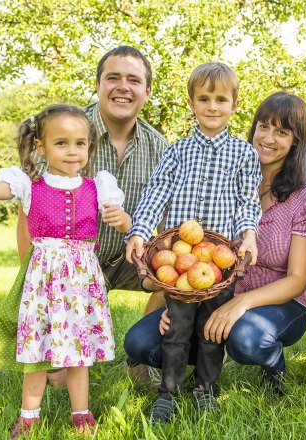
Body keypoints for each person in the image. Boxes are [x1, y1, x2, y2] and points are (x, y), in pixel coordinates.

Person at [0, 104, 129, 437]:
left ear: (89, 146)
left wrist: (123, 221)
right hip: (44, 283)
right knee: (38, 350)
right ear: (40, 146)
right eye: (61, 143)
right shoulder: (30, 185)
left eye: (80, 143)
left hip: (80, 285)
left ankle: (82, 413)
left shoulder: (99, 186)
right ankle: (29, 415)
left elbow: (124, 223)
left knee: (80, 355)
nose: (72, 151)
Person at [123, 91, 306, 397]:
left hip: (278, 303)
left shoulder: (301, 197)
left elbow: (297, 280)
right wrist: (180, 299)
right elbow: (194, 253)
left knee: (246, 337)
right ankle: (200, 367)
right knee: (141, 343)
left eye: (282, 131)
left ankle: (273, 363)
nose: (268, 138)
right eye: (263, 126)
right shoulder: (221, 183)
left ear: (295, 141)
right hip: (215, 295)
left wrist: (241, 303)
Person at [17, 46, 170, 388]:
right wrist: (29, 273)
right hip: (70, 260)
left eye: (134, 79)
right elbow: (30, 205)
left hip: (130, 257)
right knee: (57, 382)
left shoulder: (158, 146)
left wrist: (161, 256)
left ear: (147, 91)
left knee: (169, 275)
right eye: (113, 77)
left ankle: (139, 361)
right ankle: (57, 359)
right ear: (98, 84)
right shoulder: (69, 129)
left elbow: (164, 217)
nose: (123, 86)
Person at [125, 62, 261, 422]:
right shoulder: (177, 151)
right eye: (204, 99)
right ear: (192, 103)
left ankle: (206, 390)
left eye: (220, 99)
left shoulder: (245, 154)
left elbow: (249, 202)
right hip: (179, 260)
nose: (212, 106)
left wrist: (248, 235)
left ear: (234, 104)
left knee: (210, 331)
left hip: (221, 262)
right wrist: (140, 230)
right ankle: (167, 392)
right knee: (177, 328)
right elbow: (157, 192)